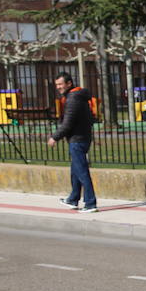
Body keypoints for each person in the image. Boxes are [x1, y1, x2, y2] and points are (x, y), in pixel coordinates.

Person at [50, 72, 97, 213]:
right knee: (75, 171)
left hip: (77, 140)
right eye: (57, 84)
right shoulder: (78, 96)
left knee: (82, 172)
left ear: (69, 83)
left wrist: (55, 137)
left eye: (60, 84)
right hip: (82, 138)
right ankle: (73, 199)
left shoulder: (73, 99)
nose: (58, 87)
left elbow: (68, 123)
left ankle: (90, 203)